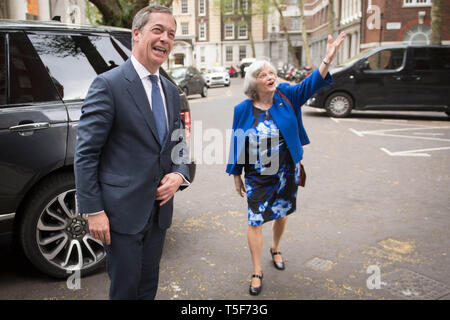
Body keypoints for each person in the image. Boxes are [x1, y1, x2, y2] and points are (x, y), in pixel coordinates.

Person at [74, 5, 190, 300]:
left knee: (148, 286)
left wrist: (179, 174)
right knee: (125, 289)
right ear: (136, 35)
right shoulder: (108, 85)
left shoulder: (170, 90)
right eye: (158, 30)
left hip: (159, 214)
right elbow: (86, 153)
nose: (165, 38)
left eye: (171, 34)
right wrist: (94, 210)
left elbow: (178, 145)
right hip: (121, 215)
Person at [226, 32, 345, 296]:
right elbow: (236, 142)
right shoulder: (242, 110)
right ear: (253, 83)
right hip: (257, 174)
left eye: (272, 72)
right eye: (263, 75)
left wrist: (328, 58)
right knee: (255, 219)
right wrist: (236, 174)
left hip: (286, 170)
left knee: (281, 212)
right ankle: (257, 270)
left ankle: (276, 247)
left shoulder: (288, 96)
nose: (270, 77)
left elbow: (313, 83)